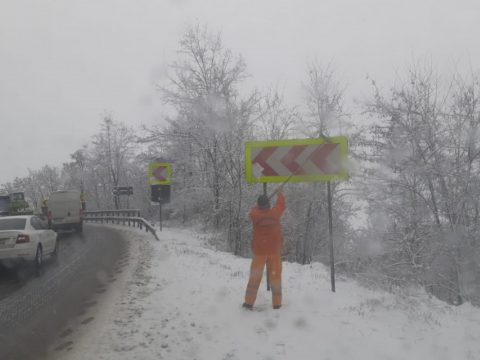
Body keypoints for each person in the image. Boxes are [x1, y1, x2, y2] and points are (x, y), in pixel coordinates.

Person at [243, 189, 285, 310]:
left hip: (259, 252)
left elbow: (253, 210)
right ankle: (277, 304)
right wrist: (280, 194)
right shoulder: (275, 213)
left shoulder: (255, 215)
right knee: (275, 277)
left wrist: (258, 205)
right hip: (274, 252)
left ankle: (248, 303)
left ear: (259, 205)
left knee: (254, 278)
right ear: (268, 204)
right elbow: (281, 205)